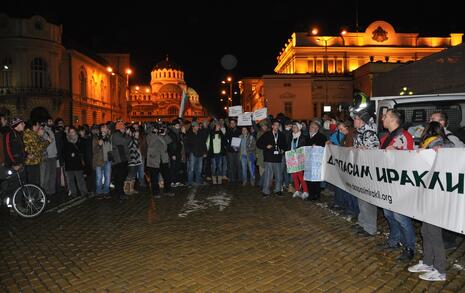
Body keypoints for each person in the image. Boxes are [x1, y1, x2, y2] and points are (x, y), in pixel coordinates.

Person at [408, 121, 453, 281]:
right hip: (428, 193)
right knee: (425, 231)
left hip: (438, 195)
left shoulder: (444, 143)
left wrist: (440, 151)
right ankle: (427, 262)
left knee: (434, 233)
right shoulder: (430, 144)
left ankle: (440, 270)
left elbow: (453, 153)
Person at [379, 109, 416, 262]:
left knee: (401, 217)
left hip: (399, 185)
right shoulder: (386, 137)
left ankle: (409, 247)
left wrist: (397, 152)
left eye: (385, 116)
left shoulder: (404, 136)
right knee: (388, 214)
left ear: (393, 120)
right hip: (387, 182)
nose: (382, 119)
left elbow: (410, 158)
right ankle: (394, 240)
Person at [352, 112, 380, 237]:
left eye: (356, 119)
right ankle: (363, 222)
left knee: (367, 199)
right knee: (361, 197)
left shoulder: (369, 134)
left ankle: (370, 227)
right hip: (360, 171)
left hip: (368, 172)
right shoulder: (359, 133)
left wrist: (365, 151)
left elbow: (375, 153)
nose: (354, 120)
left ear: (362, 121)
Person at [256, 119, 287, 197]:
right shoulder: (267, 134)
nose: (276, 127)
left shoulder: (282, 135)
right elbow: (258, 143)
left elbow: (285, 145)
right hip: (269, 157)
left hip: (278, 158)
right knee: (268, 175)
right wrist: (266, 147)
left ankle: (278, 190)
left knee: (278, 175)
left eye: (278, 125)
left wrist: (283, 149)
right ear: (272, 126)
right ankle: (265, 191)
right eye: (275, 125)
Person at [305, 120, 327, 200]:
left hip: (316, 162)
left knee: (316, 179)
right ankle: (311, 194)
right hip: (308, 161)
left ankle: (316, 195)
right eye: (310, 126)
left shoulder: (321, 136)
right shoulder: (307, 137)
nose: (311, 128)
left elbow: (324, 146)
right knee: (308, 178)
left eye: (313, 127)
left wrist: (317, 146)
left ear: (317, 128)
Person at [288, 121, 308, 199]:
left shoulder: (303, 137)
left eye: (295, 127)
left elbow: (303, 147)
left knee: (300, 175)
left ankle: (305, 191)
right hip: (292, 158)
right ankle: (297, 190)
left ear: (299, 128)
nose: (293, 128)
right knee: (294, 175)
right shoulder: (291, 136)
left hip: (299, 158)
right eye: (293, 127)